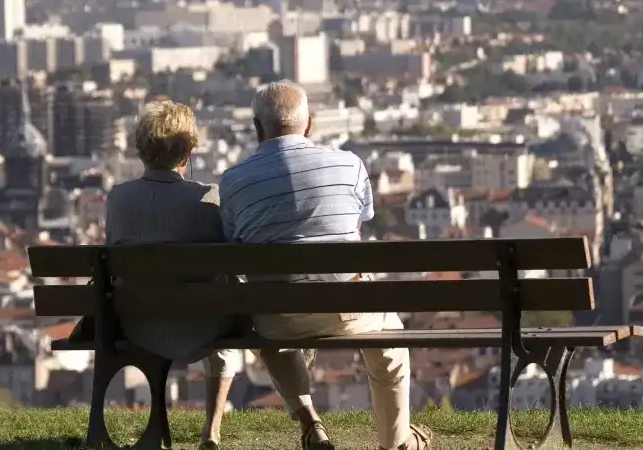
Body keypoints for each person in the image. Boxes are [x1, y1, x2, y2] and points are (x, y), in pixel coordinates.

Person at [218, 80, 433, 450]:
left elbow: (231, 242)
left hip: (278, 316)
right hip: (347, 308)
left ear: (257, 128)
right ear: (310, 122)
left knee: (271, 335)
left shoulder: (233, 182)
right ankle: (397, 442)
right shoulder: (349, 164)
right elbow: (359, 220)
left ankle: (311, 424)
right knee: (390, 345)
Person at [104, 101, 242, 450]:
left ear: (141, 149)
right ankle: (212, 428)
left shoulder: (118, 199)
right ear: (188, 151)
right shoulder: (208, 197)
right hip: (202, 326)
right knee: (224, 303)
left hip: (138, 323)